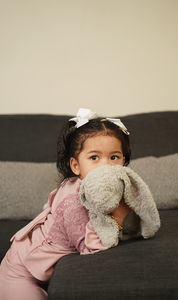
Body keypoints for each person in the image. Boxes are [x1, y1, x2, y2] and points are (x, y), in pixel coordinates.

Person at [0, 108, 132, 300]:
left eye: (114, 157)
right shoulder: (73, 201)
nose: (106, 166)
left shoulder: (110, 188)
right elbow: (89, 249)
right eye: (94, 157)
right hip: (21, 272)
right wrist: (119, 216)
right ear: (75, 166)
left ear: (123, 161)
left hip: (41, 264)